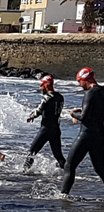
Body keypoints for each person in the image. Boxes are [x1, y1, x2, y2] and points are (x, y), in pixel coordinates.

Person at [61, 67, 104, 195]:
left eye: (79, 81)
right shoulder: (102, 91)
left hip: (87, 134)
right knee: (100, 169)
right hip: (100, 134)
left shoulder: (90, 92)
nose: (80, 85)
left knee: (69, 166)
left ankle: (63, 195)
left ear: (84, 80)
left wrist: (73, 114)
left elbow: (85, 117)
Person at [25, 75, 66, 171]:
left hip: (45, 129)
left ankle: (24, 172)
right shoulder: (60, 97)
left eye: (41, 85)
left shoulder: (47, 97)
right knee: (58, 155)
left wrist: (31, 116)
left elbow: (39, 110)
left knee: (32, 152)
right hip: (56, 129)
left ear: (46, 85)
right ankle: (69, 172)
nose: (40, 88)